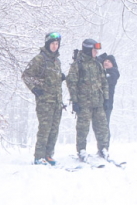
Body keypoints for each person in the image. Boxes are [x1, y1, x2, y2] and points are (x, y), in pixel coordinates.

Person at [24, 32, 65, 165]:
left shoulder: (56, 61)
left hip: (57, 102)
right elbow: (26, 75)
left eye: (57, 44)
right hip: (45, 102)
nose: (55, 46)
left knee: (54, 129)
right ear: (47, 44)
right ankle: (39, 156)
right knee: (45, 129)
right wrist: (35, 89)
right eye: (52, 43)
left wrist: (60, 77)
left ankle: (48, 155)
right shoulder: (39, 59)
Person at [66, 38, 110, 160]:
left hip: (98, 103)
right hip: (83, 103)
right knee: (82, 128)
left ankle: (103, 148)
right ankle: (81, 150)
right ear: (88, 50)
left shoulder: (98, 64)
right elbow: (71, 83)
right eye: (94, 50)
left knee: (102, 127)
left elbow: (104, 82)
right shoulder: (78, 65)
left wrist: (106, 99)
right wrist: (75, 101)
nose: (96, 52)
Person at [98, 53, 120, 123]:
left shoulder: (114, 73)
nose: (106, 62)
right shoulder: (103, 72)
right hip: (99, 103)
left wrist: (99, 60)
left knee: (104, 125)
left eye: (109, 61)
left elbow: (105, 80)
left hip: (107, 104)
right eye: (105, 61)